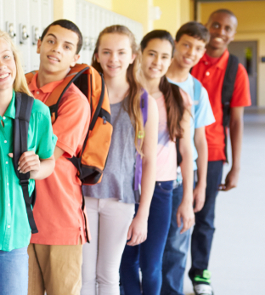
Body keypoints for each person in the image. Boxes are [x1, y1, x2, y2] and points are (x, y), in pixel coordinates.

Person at [0, 28, 57, 295]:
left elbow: (49, 162)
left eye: (6, 57)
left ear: (16, 62)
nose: (0, 66)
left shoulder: (37, 112)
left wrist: (37, 167)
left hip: (15, 235)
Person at [82, 25, 159, 295]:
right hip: (83, 197)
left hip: (121, 199)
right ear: (98, 55)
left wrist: (143, 214)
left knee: (108, 275)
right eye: (106, 52)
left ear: (133, 56)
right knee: (84, 275)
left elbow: (150, 161)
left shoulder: (144, 101)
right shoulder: (85, 96)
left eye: (120, 52)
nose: (113, 59)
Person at [119, 30, 195, 295]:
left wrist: (186, 200)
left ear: (170, 60)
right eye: (152, 53)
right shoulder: (125, 93)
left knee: (152, 264)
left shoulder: (177, 98)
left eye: (164, 56)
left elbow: (186, 152)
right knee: (126, 262)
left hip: (162, 188)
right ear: (139, 54)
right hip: (125, 187)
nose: (157, 62)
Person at [25, 19, 90, 295]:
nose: (56, 49)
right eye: (51, 41)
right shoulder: (19, 85)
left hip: (59, 219)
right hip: (19, 219)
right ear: (39, 44)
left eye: (66, 46)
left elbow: (48, 154)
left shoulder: (75, 101)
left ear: (75, 58)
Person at [189, 9, 251, 295]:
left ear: (233, 35)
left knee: (204, 215)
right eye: (216, 25)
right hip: (176, 147)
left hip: (213, 152)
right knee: (166, 211)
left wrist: (235, 166)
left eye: (227, 28)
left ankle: (200, 271)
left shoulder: (236, 70)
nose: (220, 32)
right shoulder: (189, 58)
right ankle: (164, 268)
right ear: (206, 26)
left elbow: (236, 121)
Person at [162, 21, 216, 295]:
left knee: (176, 244)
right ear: (175, 43)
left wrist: (201, 185)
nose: (190, 52)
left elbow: (199, 140)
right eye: (186, 44)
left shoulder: (197, 90)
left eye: (198, 48)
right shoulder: (154, 78)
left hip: (180, 177)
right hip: (149, 173)